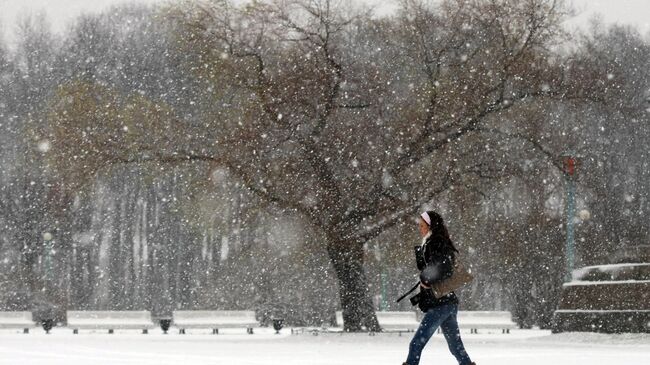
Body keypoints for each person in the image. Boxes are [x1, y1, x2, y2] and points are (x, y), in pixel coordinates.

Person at [402, 211, 475, 365]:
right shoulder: (432, 242)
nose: (420, 228)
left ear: (430, 226)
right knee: (456, 348)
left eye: (422, 226)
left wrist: (426, 279)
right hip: (447, 302)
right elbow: (433, 265)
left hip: (440, 304)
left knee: (416, 344)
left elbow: (444, 267)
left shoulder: (435, 242)